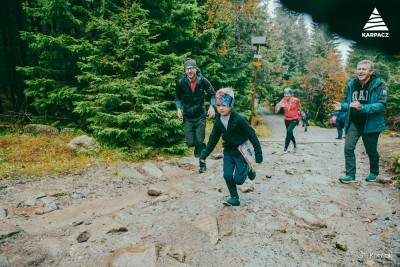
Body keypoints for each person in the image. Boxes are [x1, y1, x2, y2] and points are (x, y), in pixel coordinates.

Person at [199, 88, 263, 206]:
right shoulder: (218, 121)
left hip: (241, 152)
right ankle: (235, 198)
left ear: (231, 104)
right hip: (228, 151)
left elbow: (252, 136)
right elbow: (213, 139)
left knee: (238, 180)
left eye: (224, 105)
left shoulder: (239, 119)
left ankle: (248, 168)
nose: (221, 108)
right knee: (227, 175)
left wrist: (258, 155)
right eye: (218, 105)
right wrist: (204, 155)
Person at [333, 60, 387, 184]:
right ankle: (350, 175)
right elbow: (349, 103)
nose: (360, 71)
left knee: (371, 151)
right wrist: (342, 106)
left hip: (371, 124)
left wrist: (362, 107)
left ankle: (374, 172)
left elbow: (381, 105)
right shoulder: (351, 85)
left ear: (370, 71)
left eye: (364, 69)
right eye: (359, 69)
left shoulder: (378, 84)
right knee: (348, 148)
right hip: (354, 123)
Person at [175, 58, 216, 173]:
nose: (189, 71)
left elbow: (212, 95)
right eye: (187, 69)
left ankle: (202, 164)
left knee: (200, 140)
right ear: (185, 71)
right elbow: (177, 97)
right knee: (190, 142)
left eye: (191, 68)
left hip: (200, 115)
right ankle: (197, 147)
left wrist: (211, 106)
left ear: (195, 69)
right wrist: (178, 108)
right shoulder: (181, 82)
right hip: (188, 116)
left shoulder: (203, 81)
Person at [275, 87, 303, 153]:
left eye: (287, 94)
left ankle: (285, 148)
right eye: (285, 94)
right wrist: (277, 106)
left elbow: (300, 107)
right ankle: (295, 144)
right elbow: (277, 111)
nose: (286, 95)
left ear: (291, 94)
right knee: (290, 133)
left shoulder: (296, 100)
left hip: (295, 118)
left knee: (289, 131)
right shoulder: (283, 101)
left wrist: (301, 115)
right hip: (287, 119)